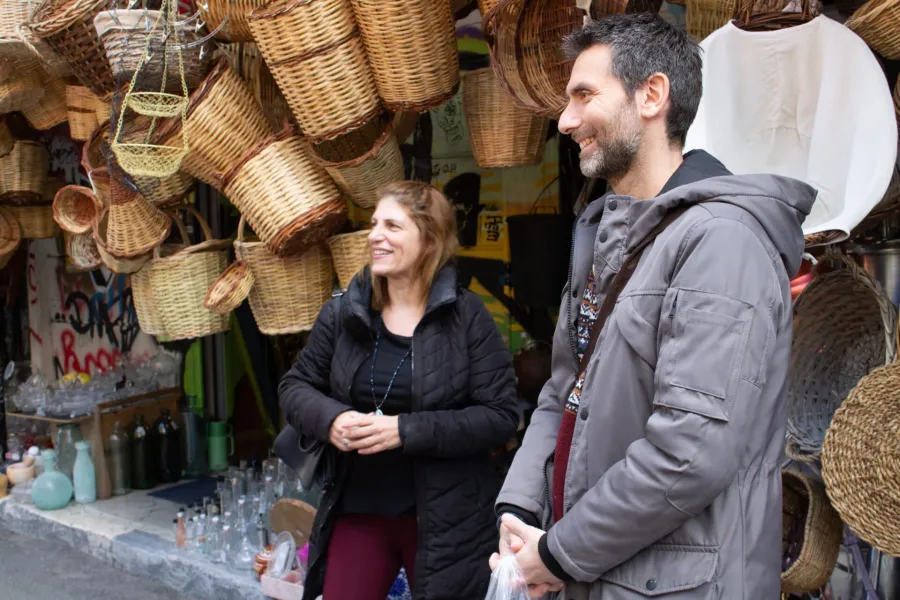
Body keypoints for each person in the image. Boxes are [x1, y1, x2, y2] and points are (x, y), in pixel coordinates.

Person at [492, 13, 817, 600]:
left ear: (652, 94)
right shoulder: (606, 233)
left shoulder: (721, 241)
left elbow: (688, 454)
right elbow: (563, 389)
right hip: (597, 573)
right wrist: (521, 515)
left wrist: (559, 554)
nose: (566, 120)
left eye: (584, 95)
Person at [279, 180, 519, 600]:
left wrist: (404, 431)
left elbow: (500, 416)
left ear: (429, 239)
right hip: (359, 509)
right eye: (374, 224)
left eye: (392, 225)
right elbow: (295, 386)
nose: (375, 236)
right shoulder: (344, 313)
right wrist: (329, 420)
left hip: (447, 521)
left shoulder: (466, 318)